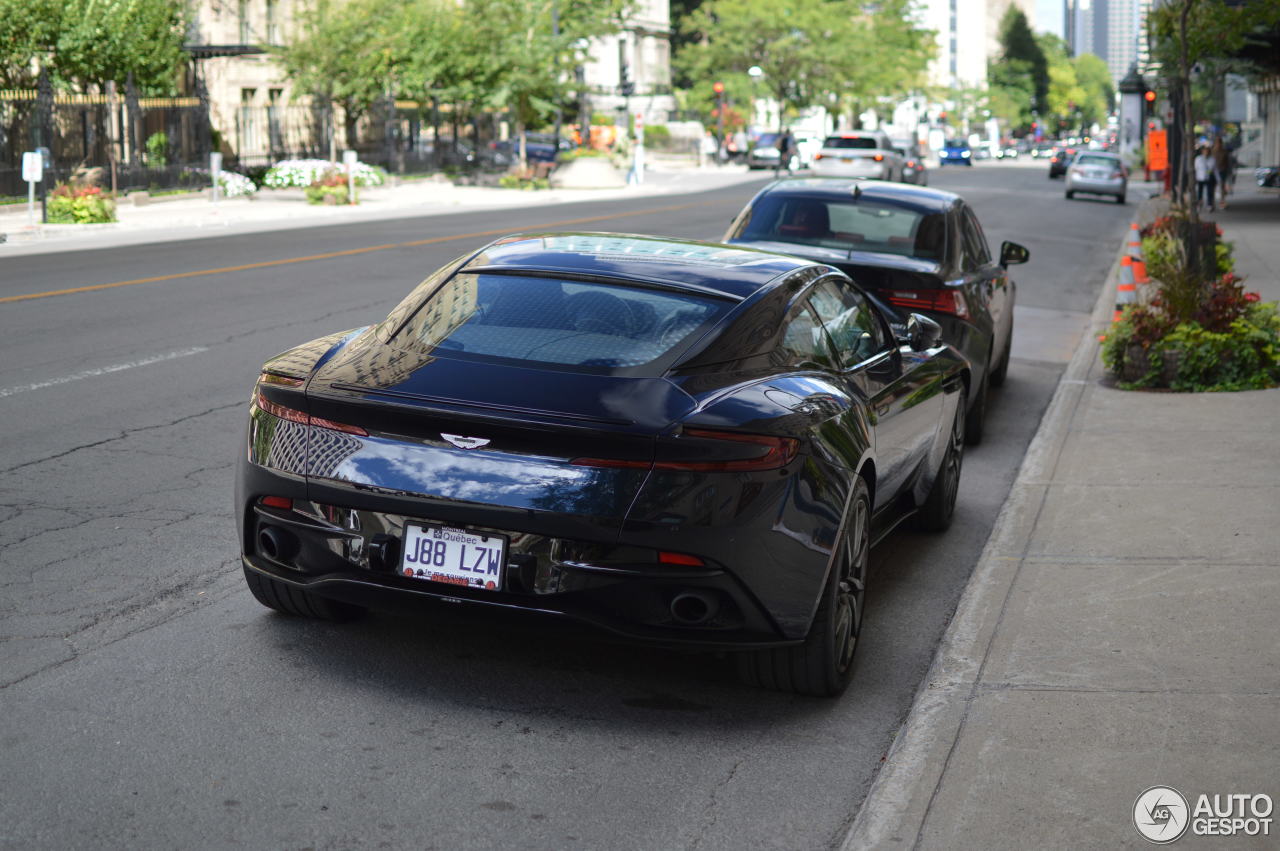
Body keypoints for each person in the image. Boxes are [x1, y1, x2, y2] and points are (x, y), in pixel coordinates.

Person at [1211, 137, 1233, 209]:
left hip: (1222, 170)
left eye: (1219, 143)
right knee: (1213, 187)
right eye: (1217, 143)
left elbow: (1227, 163)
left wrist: (1228, 171)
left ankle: (1222, 202)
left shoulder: (1224, 152)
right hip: (1214, 171)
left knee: (1222, 186)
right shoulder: (1212, 152)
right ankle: (1212, 202)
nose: (1218, 144)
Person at [1193, 145, 1216, 212]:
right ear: (1202, 151)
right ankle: (1199, 204)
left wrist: (1218, 179)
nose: (1206, 152)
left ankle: (1209, 204)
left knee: (1209, 192)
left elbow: (1214, 169)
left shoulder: (1212, 159)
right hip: (1200, 177)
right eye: (1205, 151)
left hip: (1209, 178)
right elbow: (1196, 168)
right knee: (1199, 192)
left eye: (1207, 151)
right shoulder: (1198, 159)